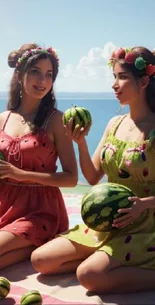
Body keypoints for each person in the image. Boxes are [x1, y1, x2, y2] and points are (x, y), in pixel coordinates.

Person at [31, 46, 155, 294]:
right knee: (41, 260)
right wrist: (81, 142)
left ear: (143, 81)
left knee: (89, 277)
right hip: (109, 221)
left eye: (122, 77)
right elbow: (92, 176)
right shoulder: (114, 123)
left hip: (146, 224)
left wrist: (143, 204)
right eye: (114, 77)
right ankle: (108, 261)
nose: (114, 84)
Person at [0, 43, 78, 269]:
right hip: (4, 203)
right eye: (35, 71)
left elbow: (71, 178)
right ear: (19, 74)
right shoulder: (3, 118)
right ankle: (31, 246)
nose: (42, 80)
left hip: (39, 210)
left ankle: (38, 240)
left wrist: (20, 175)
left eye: (49, 74)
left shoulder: (56, 120)